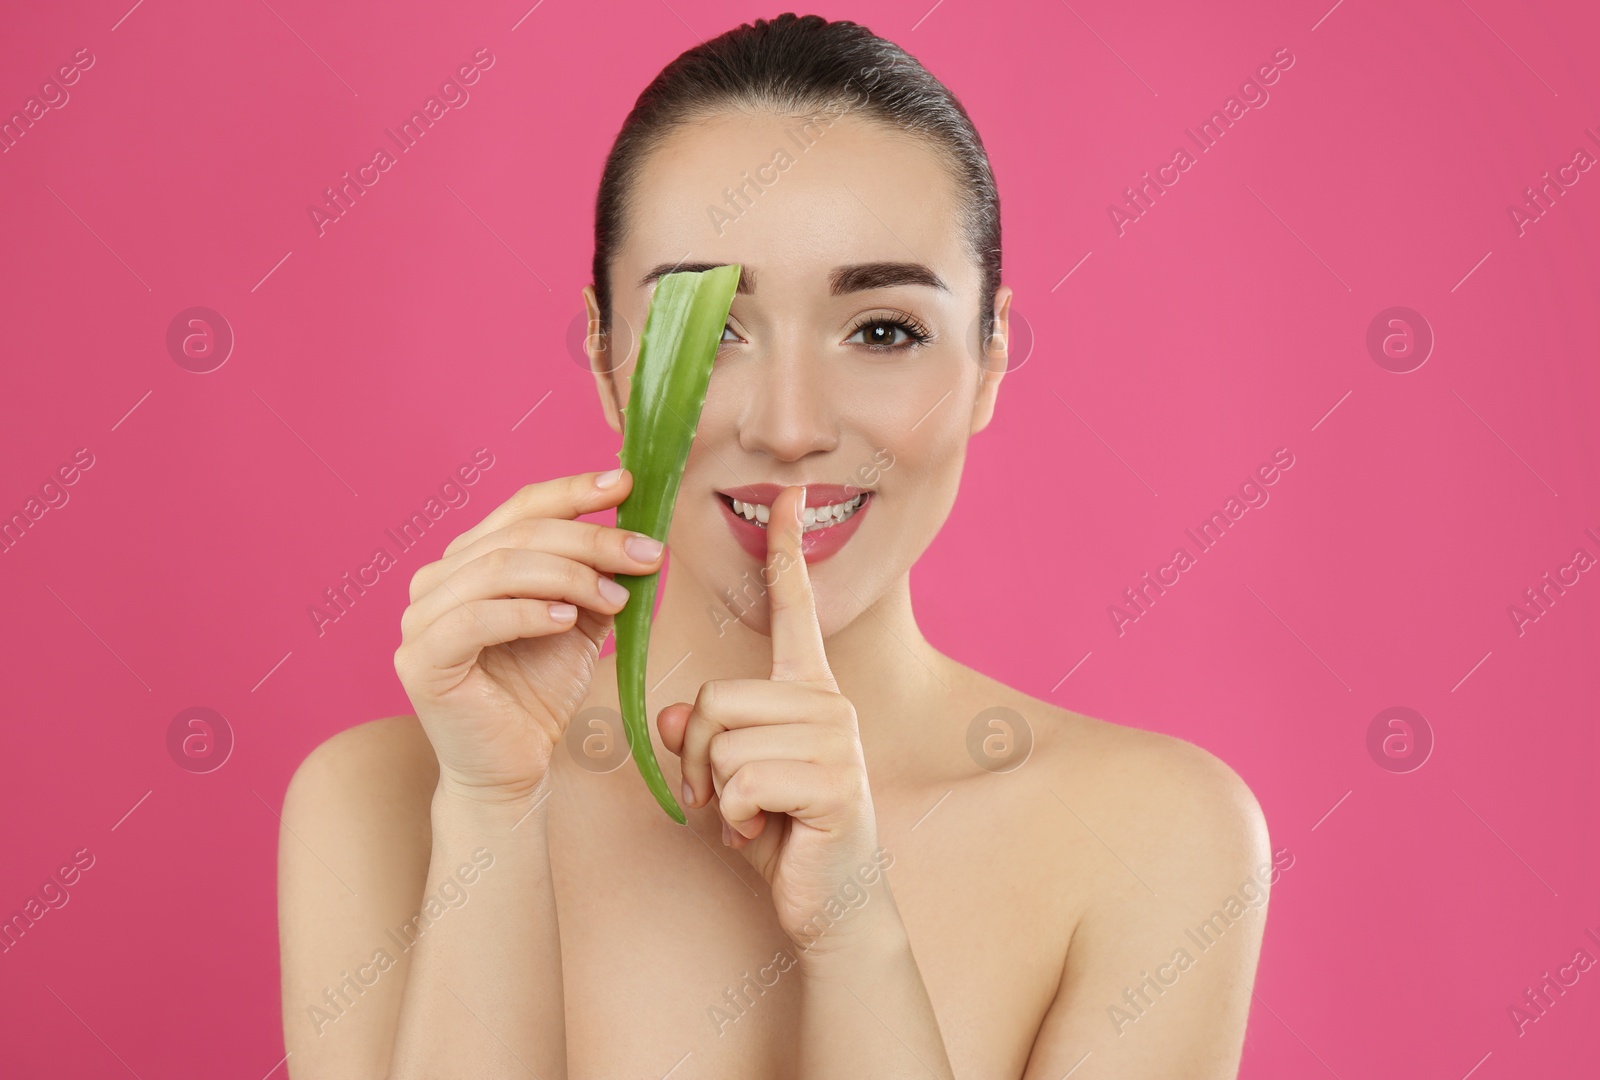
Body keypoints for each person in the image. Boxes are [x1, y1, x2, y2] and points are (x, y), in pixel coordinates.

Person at [277, 13, 1271, 1078]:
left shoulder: (1152, 838)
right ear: (609, 358)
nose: (789, 425)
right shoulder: (383, 802)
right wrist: (489, 817)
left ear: (988, 359)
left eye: (883, 330)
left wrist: (856, 935)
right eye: (709, 328)